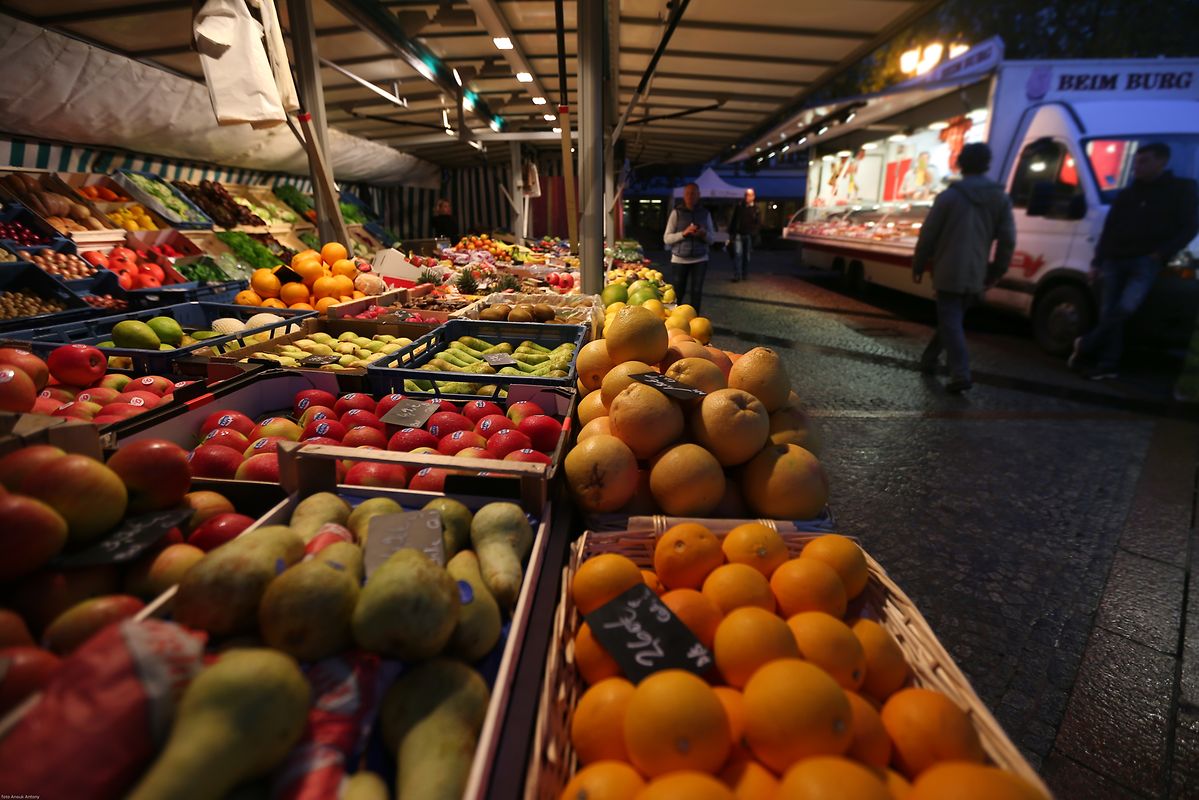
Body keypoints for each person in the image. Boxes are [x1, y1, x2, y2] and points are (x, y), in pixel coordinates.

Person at [1070, 142, 1199, 380]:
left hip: (1145, 260)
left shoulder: (1179, 190)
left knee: (1125, 308)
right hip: (1116, 258)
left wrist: (1163, 252)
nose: (1137, 166)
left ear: (1162, 161)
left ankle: (1086, 345)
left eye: (1144, 161)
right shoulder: (1128, 194)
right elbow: (1110, 229)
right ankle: (1107, 363)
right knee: (1110, 310)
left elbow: (1189, 226)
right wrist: (1098, 261)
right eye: (1137, 161)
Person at [913, 142, 1016, 393]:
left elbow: (928, 234)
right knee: (952, 318)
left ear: (961, 164)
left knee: (950, 319)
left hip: (948, 268)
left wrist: (919, 262)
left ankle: (960, 373)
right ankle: (929, 359)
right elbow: (1008, 240)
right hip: (977, 271)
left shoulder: (949, 197)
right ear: (987, 165)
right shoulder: (1000, 198)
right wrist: (997, 270)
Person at [663, 183, 714, 311]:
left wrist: (703, 234)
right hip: (679, 259)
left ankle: (695, 322)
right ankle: (676, 321)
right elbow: (667, 238)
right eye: (688, 193)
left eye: (693, 193)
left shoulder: (705, 213)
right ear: (684, 195)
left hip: (700, 259)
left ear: (699, 195)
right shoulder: (676, 213)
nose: (690, 196)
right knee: (678, 292)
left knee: (697, 293)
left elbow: (712, 240)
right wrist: (684, 234)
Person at [728, 188, 760, 282]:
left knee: (746, 256)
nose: (747, 197)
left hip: (749, 235)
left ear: (753, 197)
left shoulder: (756, 208)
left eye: (749, 195)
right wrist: (731, 233)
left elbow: (758, 223)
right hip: (738, 233)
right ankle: (737, 275)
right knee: (738, 254)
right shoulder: (739, 206)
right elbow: (734, 220)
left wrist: (754, 232)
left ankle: (744, 274)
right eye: (746, 195)